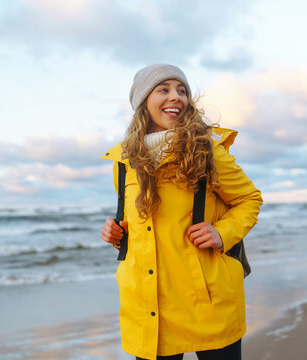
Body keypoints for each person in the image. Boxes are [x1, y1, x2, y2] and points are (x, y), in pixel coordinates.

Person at [101, 64, 263, 360]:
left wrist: (222, 232)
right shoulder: (124, 160)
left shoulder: (208, 150)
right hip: (148, 302)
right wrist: (115, 233)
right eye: (163, 89)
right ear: (143, 101)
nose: (176, 97)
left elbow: (249, 199)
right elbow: (138, 223)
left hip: (206, 298)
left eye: (182, 90)